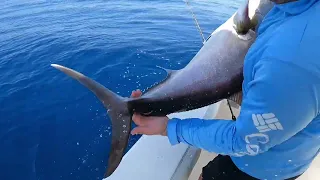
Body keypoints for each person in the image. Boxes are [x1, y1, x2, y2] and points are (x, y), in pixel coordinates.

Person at [130, 0, 320, 179]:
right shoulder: (298, 9)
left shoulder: (291, 62)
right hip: (296, 152)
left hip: (259, 169)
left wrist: (169, 128)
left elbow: (243, 141)